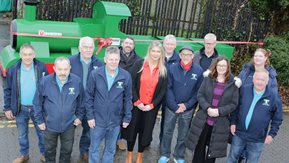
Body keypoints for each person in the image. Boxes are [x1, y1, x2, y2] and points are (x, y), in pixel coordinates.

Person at [186, 56, 241, 163]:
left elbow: (234, 104)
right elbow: (200, 95)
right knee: (199, 146)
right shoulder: (208, 78)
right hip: (203, 120)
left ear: (227, 67)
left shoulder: (233, 83)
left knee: (213, 151)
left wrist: (219, 111)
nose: (221, 67)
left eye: (224, 65)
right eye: (219, 65)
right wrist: (207, 108)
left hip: (220, 122)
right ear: (215, 66)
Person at [122, 41, 168, 163]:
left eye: (158, 51)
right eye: (153, 51)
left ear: (161, 53)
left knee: (145, 132)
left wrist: (152, 105)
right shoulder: (139, 64)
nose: (155, 54)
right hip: (137, 105)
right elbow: (131, 83)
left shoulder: (163, 69)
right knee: (132, 130)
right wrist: (136, 101)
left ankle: (140, 156)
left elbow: (163, 91)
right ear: (149, 51)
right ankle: (129, 153)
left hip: (151, 108)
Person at [85, 46, 132, 163]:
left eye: (116, 59)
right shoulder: (95, 74)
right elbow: (89, 96)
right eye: (111, 59)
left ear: (119, 60)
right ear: (105, 59)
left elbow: (127, 99)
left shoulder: (125, 76)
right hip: (97, 121)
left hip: (115, 121)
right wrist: (90, 116)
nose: (113, 62)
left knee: (110, 150)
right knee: (94, 149)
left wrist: (127, 117)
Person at [34, 57, 84, 163]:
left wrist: (79, 117)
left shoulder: (77, 81)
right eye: (60, 69)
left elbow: (81, 101)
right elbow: (37, 103)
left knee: (67, 150)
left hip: (69, 125)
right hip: (49, 125)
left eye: (65, 69)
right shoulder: (44, 82)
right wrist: (40, 121)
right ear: (54, 68)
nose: (63, 72)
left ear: (70, 68)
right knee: (49, 151)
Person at [3, 44, 48, 163]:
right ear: (20, 55)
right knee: (22, 135)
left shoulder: (41, 67)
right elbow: (7, 89)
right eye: (25, 54)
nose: (27, 57)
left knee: (42, 133)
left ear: (34, 55)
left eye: (30, 54)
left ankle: (44, 154)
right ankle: (24, 155)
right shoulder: (13, 69)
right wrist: (7, 108)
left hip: (38, 109)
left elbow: (48, 88)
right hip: (20, 108)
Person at [158, 46, 203, 163]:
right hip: (171, 107)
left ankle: (179, 156)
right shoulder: (172, 68)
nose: (186, 57)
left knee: (183, 134)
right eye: (183, 54)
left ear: (193, 56)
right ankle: (165, 154)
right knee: (167, 131)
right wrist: (174, 105)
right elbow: (168, 88)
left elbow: (198, 91)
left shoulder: (198, 70)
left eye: (189, 54)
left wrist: (186, 105)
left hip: (187, 109)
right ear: (180, 55)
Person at [227, 71, 283, 163]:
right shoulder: (244, 90)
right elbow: (236, 108)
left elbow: (278, 118)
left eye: (263, 80)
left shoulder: (274, 97)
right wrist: (233, 122)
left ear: (267, 81)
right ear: (253, 79)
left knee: (252, 161)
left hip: (257, 139)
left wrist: (272, 134)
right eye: (257, 79)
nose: (259, 82)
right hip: (239, 134)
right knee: (232, 158)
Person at [237, 48, 279, 163]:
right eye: (256, 56)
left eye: (260, 56)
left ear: (266, 58)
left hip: (257, 126)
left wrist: (272, 132)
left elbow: (274, 100)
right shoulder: (246, 70)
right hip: (242, 120)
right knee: (237, 152)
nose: (257, 58)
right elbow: (237, 89)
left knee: (250, 155)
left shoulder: (270, 76)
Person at [69, 36, 103, 162]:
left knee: (88, 131)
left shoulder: (99, 64)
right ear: (80, 48)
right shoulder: (70, 61)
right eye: (85, 47)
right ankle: (67, 153)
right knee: (68, 132)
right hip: (73, 104)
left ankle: (84, 151)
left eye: (91, 47)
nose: (88, 50)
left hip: (90, 105)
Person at [117, 36, 142, 150]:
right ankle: (116, 139)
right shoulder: (114, 56)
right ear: (122, 44)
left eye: (130, 43)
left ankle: (122, 138)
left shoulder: (139, 60)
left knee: (127, 116)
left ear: (134, 46)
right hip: (116, 91)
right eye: (126, 43)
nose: (128, 45)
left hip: (130, 92)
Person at [159, 34, 180, 143]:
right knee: (151, 118)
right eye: (167, 44)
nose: (169, 46)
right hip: (156, 92)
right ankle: (146, 140)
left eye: (172, 44)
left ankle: (162, 141)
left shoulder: (179, 59)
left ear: (175, 46)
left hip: (170, 94)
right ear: (163, 44)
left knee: (165, 121)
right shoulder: (158, 56)